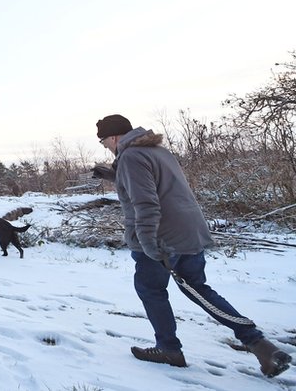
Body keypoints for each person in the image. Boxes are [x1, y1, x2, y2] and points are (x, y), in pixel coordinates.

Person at [95, 114, 292, 378]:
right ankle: (259, 344)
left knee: (150, 289)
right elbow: (158, 184)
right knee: (198, 289)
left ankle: (169, 349)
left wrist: (148, 243)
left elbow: (146, 203)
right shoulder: (155, 151)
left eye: (104, 141)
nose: (105, 146)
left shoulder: (130, 157)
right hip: (188, 231)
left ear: (114, 137)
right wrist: (114, 174)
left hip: (163, 236)